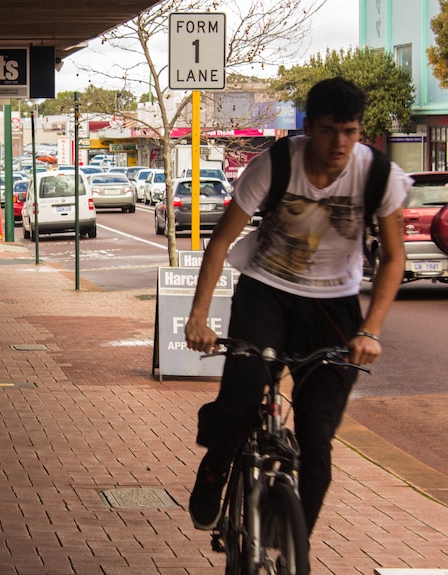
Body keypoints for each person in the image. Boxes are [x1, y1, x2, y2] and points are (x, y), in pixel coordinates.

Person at [185, 77, 411, 535]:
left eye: (351, 131)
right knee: (239, 402)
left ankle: (289, 545)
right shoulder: (275, 165)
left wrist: (371, 330)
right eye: (329, 130)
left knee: (317, 445)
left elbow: (394, 257)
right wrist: (198, 316)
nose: (340, 143)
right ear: (310, 127)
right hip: (266, 294)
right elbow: (222, 240)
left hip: (334, 308)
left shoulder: (378, 175)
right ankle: (214, 467)